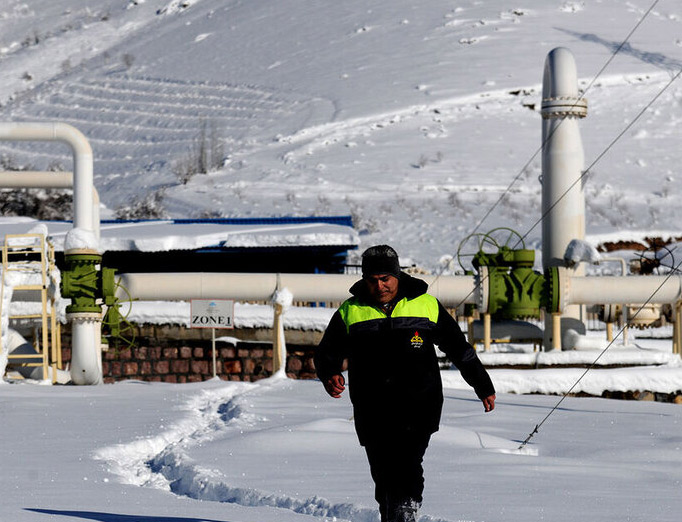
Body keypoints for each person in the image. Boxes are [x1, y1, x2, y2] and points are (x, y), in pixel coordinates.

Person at [314, 245, 496, 522]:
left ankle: (407, 510)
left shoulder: (426, 305)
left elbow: (459, 348)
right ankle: (393, 514)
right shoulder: (350, 311)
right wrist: (329, 375)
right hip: (372, 407)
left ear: (397, 275)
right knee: (383, 474)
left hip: (419, 403)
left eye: (385, 279)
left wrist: (482, 385)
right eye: (372, 280)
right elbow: (326, 353)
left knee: (407, 463)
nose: (380, 286)